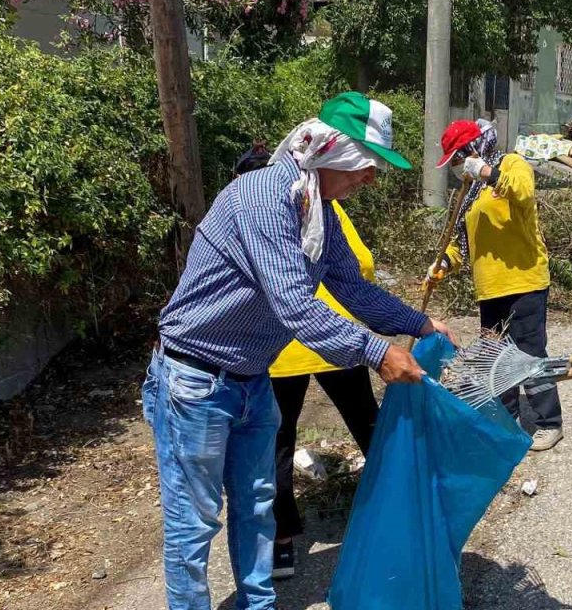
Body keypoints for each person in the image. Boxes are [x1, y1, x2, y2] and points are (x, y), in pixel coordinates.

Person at [142, 91, 452, 610]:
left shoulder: (317, 210)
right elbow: (295, 306)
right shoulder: (264, 196)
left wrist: (418, 323)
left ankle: (258, 605)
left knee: (259, 506)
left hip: (249, 380)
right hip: (194, 381)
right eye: (366, 166)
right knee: (193, 526)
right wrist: (378, 352)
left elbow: (352, 289)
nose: (369, 179)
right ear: (332, 151)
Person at [426, 119, 563, 451]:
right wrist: (442, 263)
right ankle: (507, 420)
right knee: (497, 357)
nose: (457, 169)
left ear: (472, 150)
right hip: (489, 288)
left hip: (524, 280)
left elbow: (523, 192)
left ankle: (548, 423)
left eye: (458, 160)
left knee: (528, 353)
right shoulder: (468, 193)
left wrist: (486, 171)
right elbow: (461, 244)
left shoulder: (510, 164)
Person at [267, 199, 380, 580]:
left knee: (278, 443)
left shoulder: (251, 212)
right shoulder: (321, 206)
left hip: (279, 347)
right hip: (333, 339)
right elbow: (361, 262)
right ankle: (396, 510)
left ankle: (281, 545)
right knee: (369, 426)